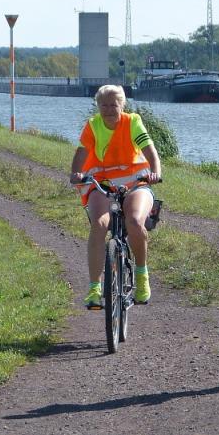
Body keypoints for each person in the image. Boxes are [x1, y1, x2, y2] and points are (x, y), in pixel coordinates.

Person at [69, 85, 162, 309]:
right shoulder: (93, 125)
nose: (109, 109)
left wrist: (155, 172)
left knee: (135, 221)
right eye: (104, 105)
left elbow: (149, 150)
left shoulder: (133, 122)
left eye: (114, 105)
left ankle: (142, 277)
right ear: (98, 106)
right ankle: (94, 288)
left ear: (122, 105)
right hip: (102, 182)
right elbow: (81, 153)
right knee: (99, 224)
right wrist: (76, 173)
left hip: (136, 181)